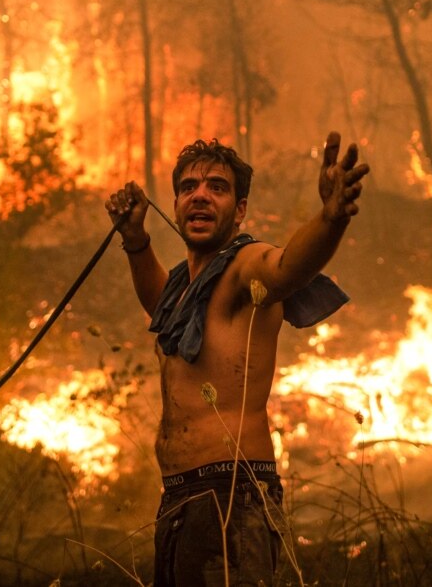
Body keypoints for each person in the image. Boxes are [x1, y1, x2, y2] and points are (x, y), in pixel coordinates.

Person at [106, 133, 369, 586]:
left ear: (240, 209)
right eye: (189, 187)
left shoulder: (244, 267)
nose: (200, 195)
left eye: (217, 186)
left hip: (233, 495)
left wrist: (330, 218)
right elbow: (160, 310)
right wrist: (135, 240)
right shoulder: (182, 289)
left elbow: (286, 268)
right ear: (176, 203)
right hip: (179, 499)